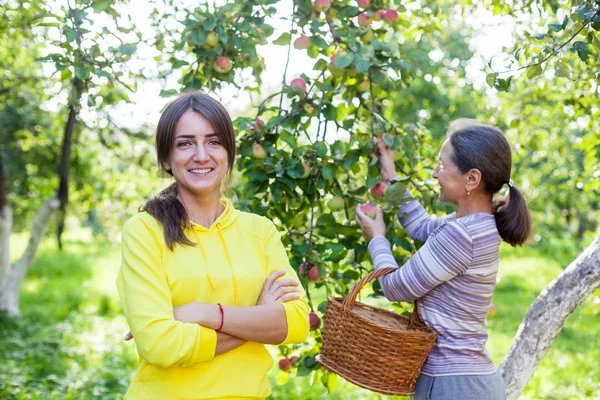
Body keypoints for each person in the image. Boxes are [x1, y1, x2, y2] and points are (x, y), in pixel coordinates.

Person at [116, 91, 309, 400]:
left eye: (214, 141)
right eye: (185, 143)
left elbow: (297, 323)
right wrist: (258, 316)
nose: (202, 155)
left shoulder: (260, 231)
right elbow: (160, 345)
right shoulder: (144, 232)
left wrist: (200, 313)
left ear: (229, 153)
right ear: (165, 158)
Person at [355, 119, 532, 400]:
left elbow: (394, 288)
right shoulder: (476, 225)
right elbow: (420, 224)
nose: (435, 174)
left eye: (441, 165)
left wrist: (377, 238)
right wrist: (389, 171)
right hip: (467, 381)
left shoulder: (463, 235)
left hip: (453, 386)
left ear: (471, 179)